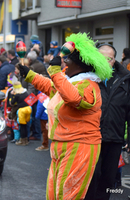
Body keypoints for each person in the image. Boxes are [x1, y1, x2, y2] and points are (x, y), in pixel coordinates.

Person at [19, 32, 113, 199]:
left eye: (67, 59)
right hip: (60, 145)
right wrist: (29, 74)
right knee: (54, 195)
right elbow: (51, 87)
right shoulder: (69, 83)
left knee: (67, 196)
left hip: (79, 145)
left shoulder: (89, 86)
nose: (64, 63)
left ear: (81, 65)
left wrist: (55, 72)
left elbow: (74, 98)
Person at [84, 44, 130, 200]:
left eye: (109, 59)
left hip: (114, 138)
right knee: (90, 178)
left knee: (108, 181)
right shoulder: (85, 77)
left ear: (114, 60)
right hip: (90, 138)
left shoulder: (125, 79)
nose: (105, 62)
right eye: (101, 58)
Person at [9, 81, 32, 146]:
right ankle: (26, 140)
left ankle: (22, 141)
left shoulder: (17, 95)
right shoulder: (25, 92)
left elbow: (12, 103)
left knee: (22, 126)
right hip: (28, 109)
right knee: (26, 125)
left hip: (22, 110)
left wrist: (12, 95)